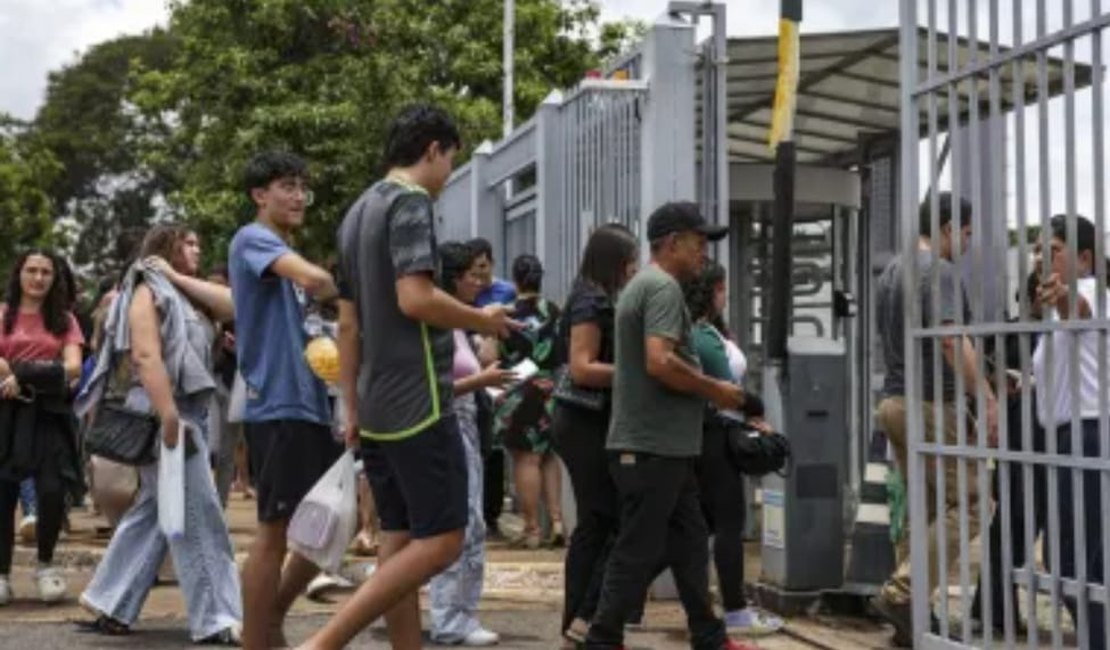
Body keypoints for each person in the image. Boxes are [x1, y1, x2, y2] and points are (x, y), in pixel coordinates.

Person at [297, 104, 514, 650]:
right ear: (433, 150)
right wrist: (481, 319)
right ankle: (322, 643)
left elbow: (349, 325)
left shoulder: (355, 212)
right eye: (450, 161)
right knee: (442, 541)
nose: (447, 176)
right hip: (421, 400)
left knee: (397, 538)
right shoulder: (410, 202)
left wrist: (350, 404)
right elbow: (414, 298)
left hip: (373, 402)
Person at [584, 201, 752, 650]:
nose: (704, 254)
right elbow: (659, 362)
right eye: (698, 243)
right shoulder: (662, 289)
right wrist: (715, 390)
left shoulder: (645, 285)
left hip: (665, 449)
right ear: (672, 243)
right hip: (651, 448)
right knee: (637, 548)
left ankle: (710, 636)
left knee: (690, 543)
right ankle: (601, 638)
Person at [75, 224, 242, 644]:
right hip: (165, 410)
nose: (197, 249)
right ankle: (217, 617)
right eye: (187, 243)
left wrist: (178, 276)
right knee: (198, 516)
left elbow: (234, 304)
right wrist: (169, 415)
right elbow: (146, 355)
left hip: (188, 411)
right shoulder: (146, 290)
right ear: (163, 248)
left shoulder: (184, 292)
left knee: (154, 512)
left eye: (198, 242)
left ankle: (111, 602)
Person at [871, 192, 999, 647]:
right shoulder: (937, 271)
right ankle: (903, 592)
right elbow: (949, 338)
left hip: (893, 402)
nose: (966, 243)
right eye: (965, 233)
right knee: (971, 503)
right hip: (927, 404)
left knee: (922, 510)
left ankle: (913, 617)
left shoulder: (891, 271)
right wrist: (984, 395)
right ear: (947, 227)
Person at [229, 151, 342, 650]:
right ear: (260, 195)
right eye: (287, 186)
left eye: (303, 188)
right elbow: (318, 281)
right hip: (278, 404)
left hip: (312, 404)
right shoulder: (254, 239)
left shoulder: (279, 251)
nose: (299, 197)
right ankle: (256, 637)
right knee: (274, 531)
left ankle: (271, 615)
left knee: (331, 525)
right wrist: (353, 287)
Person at [681, 261, 783, 637]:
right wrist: (755, 409)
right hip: (715, 437)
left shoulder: (708, 331)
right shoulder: (702, 334)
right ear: (710, 292)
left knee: (695, 525)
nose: (726, 295)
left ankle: (622, 601)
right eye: (722, 289)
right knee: (727, 524)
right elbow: (725, 387)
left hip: (714, 431)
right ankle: (736, 611)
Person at [552, 223, 639, 645]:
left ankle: (581, 619)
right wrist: (637, 375)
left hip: (586, 422)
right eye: (629, 261)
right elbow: (582, 366)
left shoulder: (592, 293)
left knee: (600, 520)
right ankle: (582, 617)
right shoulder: (590, 298)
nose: (633, 269)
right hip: (583, 421)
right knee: (603, 519)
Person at [427, 241, 515, 645]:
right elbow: (434, 388)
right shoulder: (438, 322)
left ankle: (461, 612)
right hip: (447, 423)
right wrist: (481, 381)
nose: (481, 280)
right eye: (474, 274)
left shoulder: (459, 322)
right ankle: (450, 617)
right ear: (454, 278)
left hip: (465, 421)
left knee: (470, 521)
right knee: (459, 522)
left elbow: (478, 364)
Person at [1031, 214, 1107, 649]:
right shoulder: (1053, 322)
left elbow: (1079, 308)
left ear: (1084, 258)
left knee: (1069, 559)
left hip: (1090, 434)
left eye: (1053, 250)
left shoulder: (1094, 294)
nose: (1043, 258)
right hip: (1066, 437)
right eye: (1039, 249)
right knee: (1082, 559)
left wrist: (1063, 302)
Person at [0, 249, 85, 605]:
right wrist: (12, 374)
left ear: (55, 278)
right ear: (18, 274)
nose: (38, 278)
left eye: (46, 272)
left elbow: (74, 367)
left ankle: (46, 564)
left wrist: (20, 374)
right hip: (5, 414)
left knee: (51, 491)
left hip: (50, 414)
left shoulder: (65, 320)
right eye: (31, 270)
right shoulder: (3, 314)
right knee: (3, 493)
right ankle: (1, 573)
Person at [494, 254, 564, 549]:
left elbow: (493, 354)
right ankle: (558, 521)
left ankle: (532, 527)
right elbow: (562, 349)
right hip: (549, 387)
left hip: (519, 387)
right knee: (548, 455)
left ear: (515, 279)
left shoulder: (507, 313)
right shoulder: (553, 310)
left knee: (526, 458)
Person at [470, 237, 515, 538]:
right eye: (474, 270)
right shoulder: (464, 294)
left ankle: (492, 513)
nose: (479, 276)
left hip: (498, 375)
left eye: (484, 268)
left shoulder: (506, 291)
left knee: (495, 448)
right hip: (470, 375)